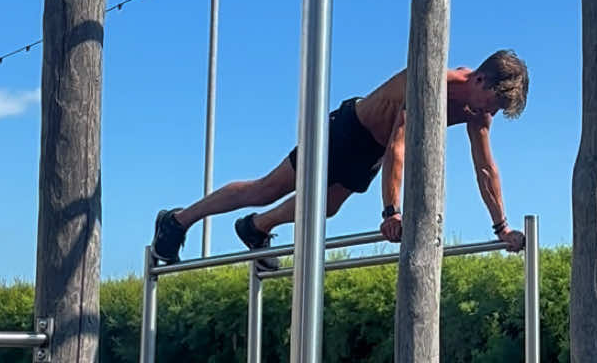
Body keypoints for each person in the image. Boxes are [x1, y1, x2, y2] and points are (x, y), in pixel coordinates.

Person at [150, 50, 530, 263]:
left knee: (325, 208)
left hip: (370, 151)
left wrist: (502, 228)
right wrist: (391, 211)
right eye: (493, 102)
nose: (490, 113)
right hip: (347, 130)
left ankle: (256, 228)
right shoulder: (434, 81)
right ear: (479, 80)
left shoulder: (477, 114)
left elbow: (485, 168)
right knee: (268, 187)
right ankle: (177, 221)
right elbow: (400, 144)